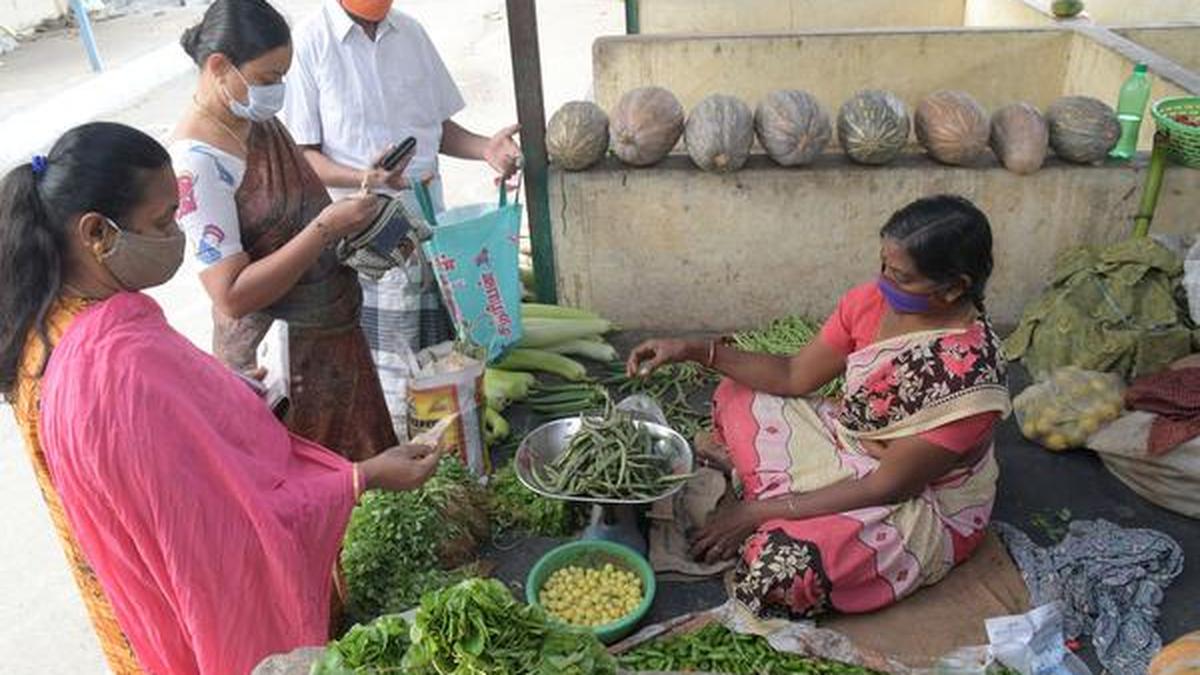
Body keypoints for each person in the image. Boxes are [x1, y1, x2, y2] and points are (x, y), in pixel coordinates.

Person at [0, 122, 442, 675]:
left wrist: (221, 396)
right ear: (96, 232)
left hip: (132, 614)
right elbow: (227, 537)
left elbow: (155, 457)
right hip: (185, 624)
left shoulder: (52, 325)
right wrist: (362, 477)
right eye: (161, 223)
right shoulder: (115, 361)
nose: (175, 239)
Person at [628, 195, 1011, 618]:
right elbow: (794, 375)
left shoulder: (970, 379)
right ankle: (776, 500)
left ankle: (762, 496)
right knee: (737, 392)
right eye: (883, 265)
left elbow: (887, 487)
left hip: (916, 499)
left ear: (954, 287)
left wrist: (754, 512)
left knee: (782, 573)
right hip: (850, 439)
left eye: (901, 277)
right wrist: (695, 350)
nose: (884, 281)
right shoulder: (868, 302)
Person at [281, 0, 522, 436]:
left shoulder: (410, 33)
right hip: (362, 231)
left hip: (427, 224)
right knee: (387, 370)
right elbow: (303, 155)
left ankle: (443, 446)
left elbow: (437, 126)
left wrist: (486, 147)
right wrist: (365, 177)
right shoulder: (310, 42)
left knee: (435, 352)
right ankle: (396, 452)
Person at [171, 0, 397, 461]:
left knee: (365, 480)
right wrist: (324, 229)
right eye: (268, 79)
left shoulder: (255, 122)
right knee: (314, 491)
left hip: (332, 336)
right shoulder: (197, 166)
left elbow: (295, 209)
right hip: (278, 363)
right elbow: (230, 295)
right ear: (219, 67)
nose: (277, 91)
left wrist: (364, 186)